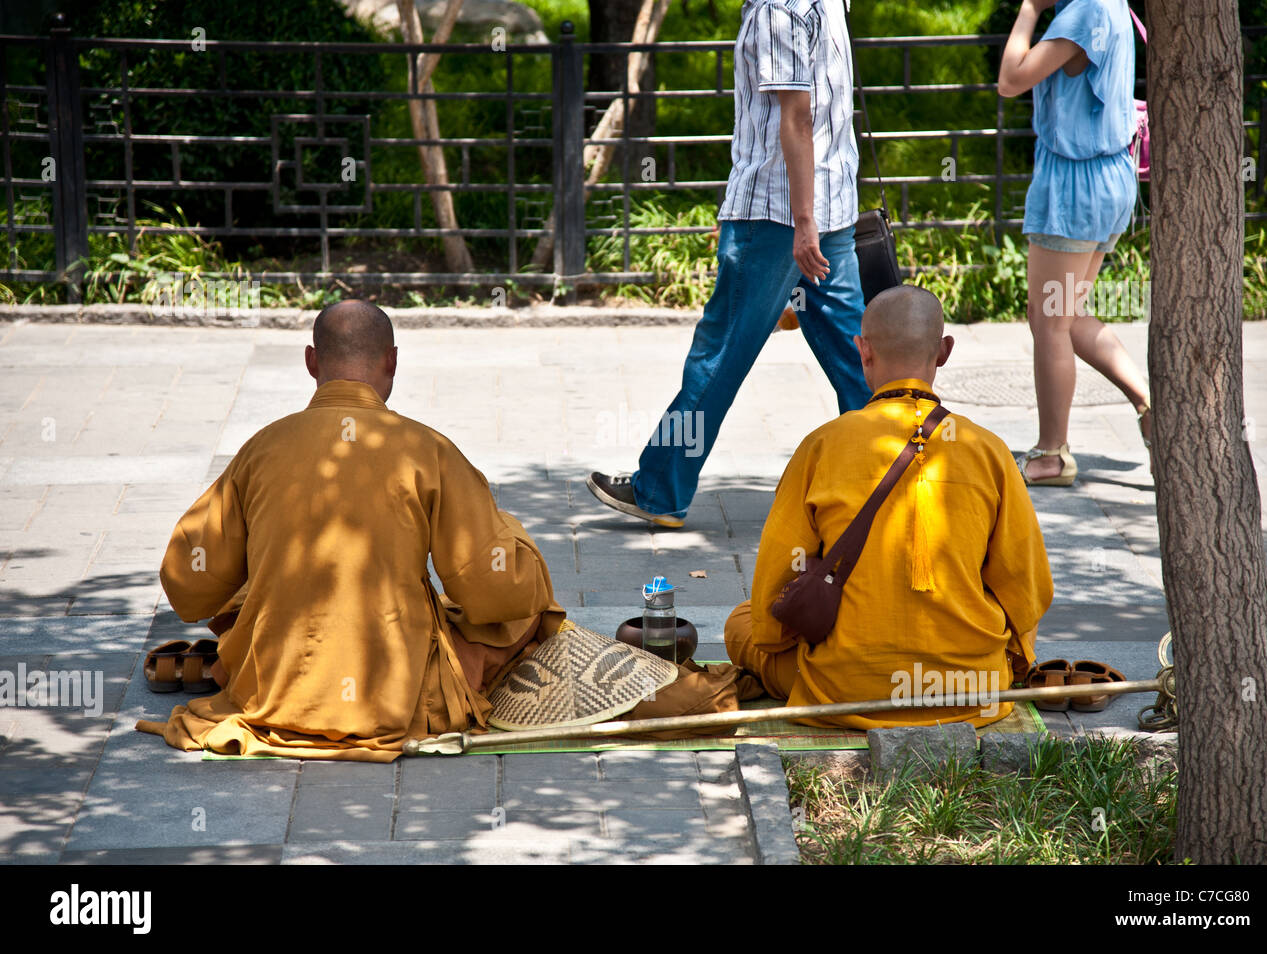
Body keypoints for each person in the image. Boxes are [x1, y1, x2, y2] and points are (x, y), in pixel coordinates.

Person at [137, 300, 565, 761]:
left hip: (270, 693)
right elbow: (495, 592)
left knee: (247, 601)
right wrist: (514, 538)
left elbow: (187, 586)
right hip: (396, 702)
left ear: (311, 361)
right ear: (393, 361)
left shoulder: (261, 448)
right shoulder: (429, 450)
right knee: (526, 607)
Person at [587, 0, 870, 527]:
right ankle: (895, 474)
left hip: (780, 216)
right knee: (858, 355)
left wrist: (802, 221)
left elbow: (797, 114)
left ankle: (660, 490)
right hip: (830, 202)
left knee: (718, 354)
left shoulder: (776, 8)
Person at [724, 286, 1054, 729]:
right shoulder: (988, 450)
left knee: (741, 622)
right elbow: (1028, 590)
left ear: (863, 351)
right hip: (971, 693)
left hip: (842, 691)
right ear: (943, 352)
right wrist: (1013, 658)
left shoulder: (822, 445)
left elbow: (771, 599)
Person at [997, 0, 1153, 486]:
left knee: (1048, 321)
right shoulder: (1111, 4)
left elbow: (1011, 79)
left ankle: (1052, 454)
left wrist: (1028, 9)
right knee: (1065, 312)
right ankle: (1150, 405)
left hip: (1074, 186)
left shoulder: (1081, 12)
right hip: (1108, 176)